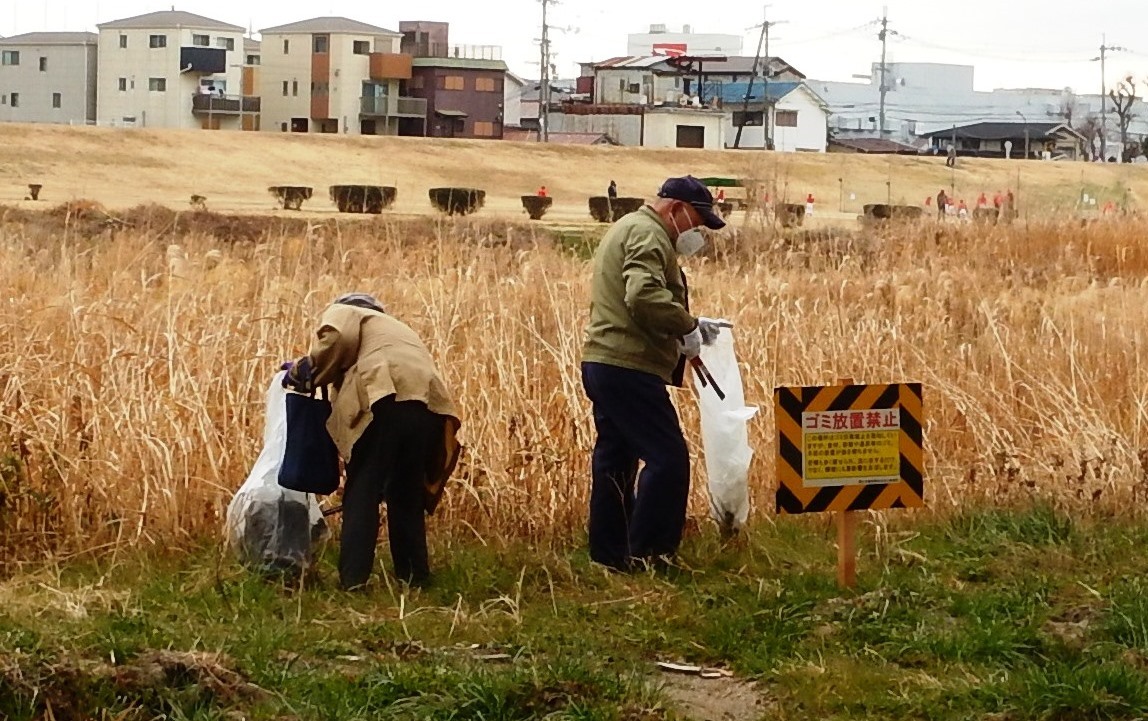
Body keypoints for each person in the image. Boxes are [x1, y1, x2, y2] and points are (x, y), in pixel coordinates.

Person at [581, 175, 730, 572]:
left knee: (615, 459)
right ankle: (651, 555)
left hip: (603, 362)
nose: (696, 232)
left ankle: (609, 555)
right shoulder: (650, 234)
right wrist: (687, 325)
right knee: (668, 459)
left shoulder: (629, 227)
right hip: (629, 366)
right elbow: (643, 294)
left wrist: (683, 330)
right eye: (697, 221)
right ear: (676, 209)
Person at [284, 293, 462, 590]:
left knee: (362, 489)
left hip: (384, 395)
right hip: (429, 404)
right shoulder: (396, 328)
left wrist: (304, 370)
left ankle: (353, 581)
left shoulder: (348, 312)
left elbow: (337, 337)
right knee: (406, 493)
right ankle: (414, 578)